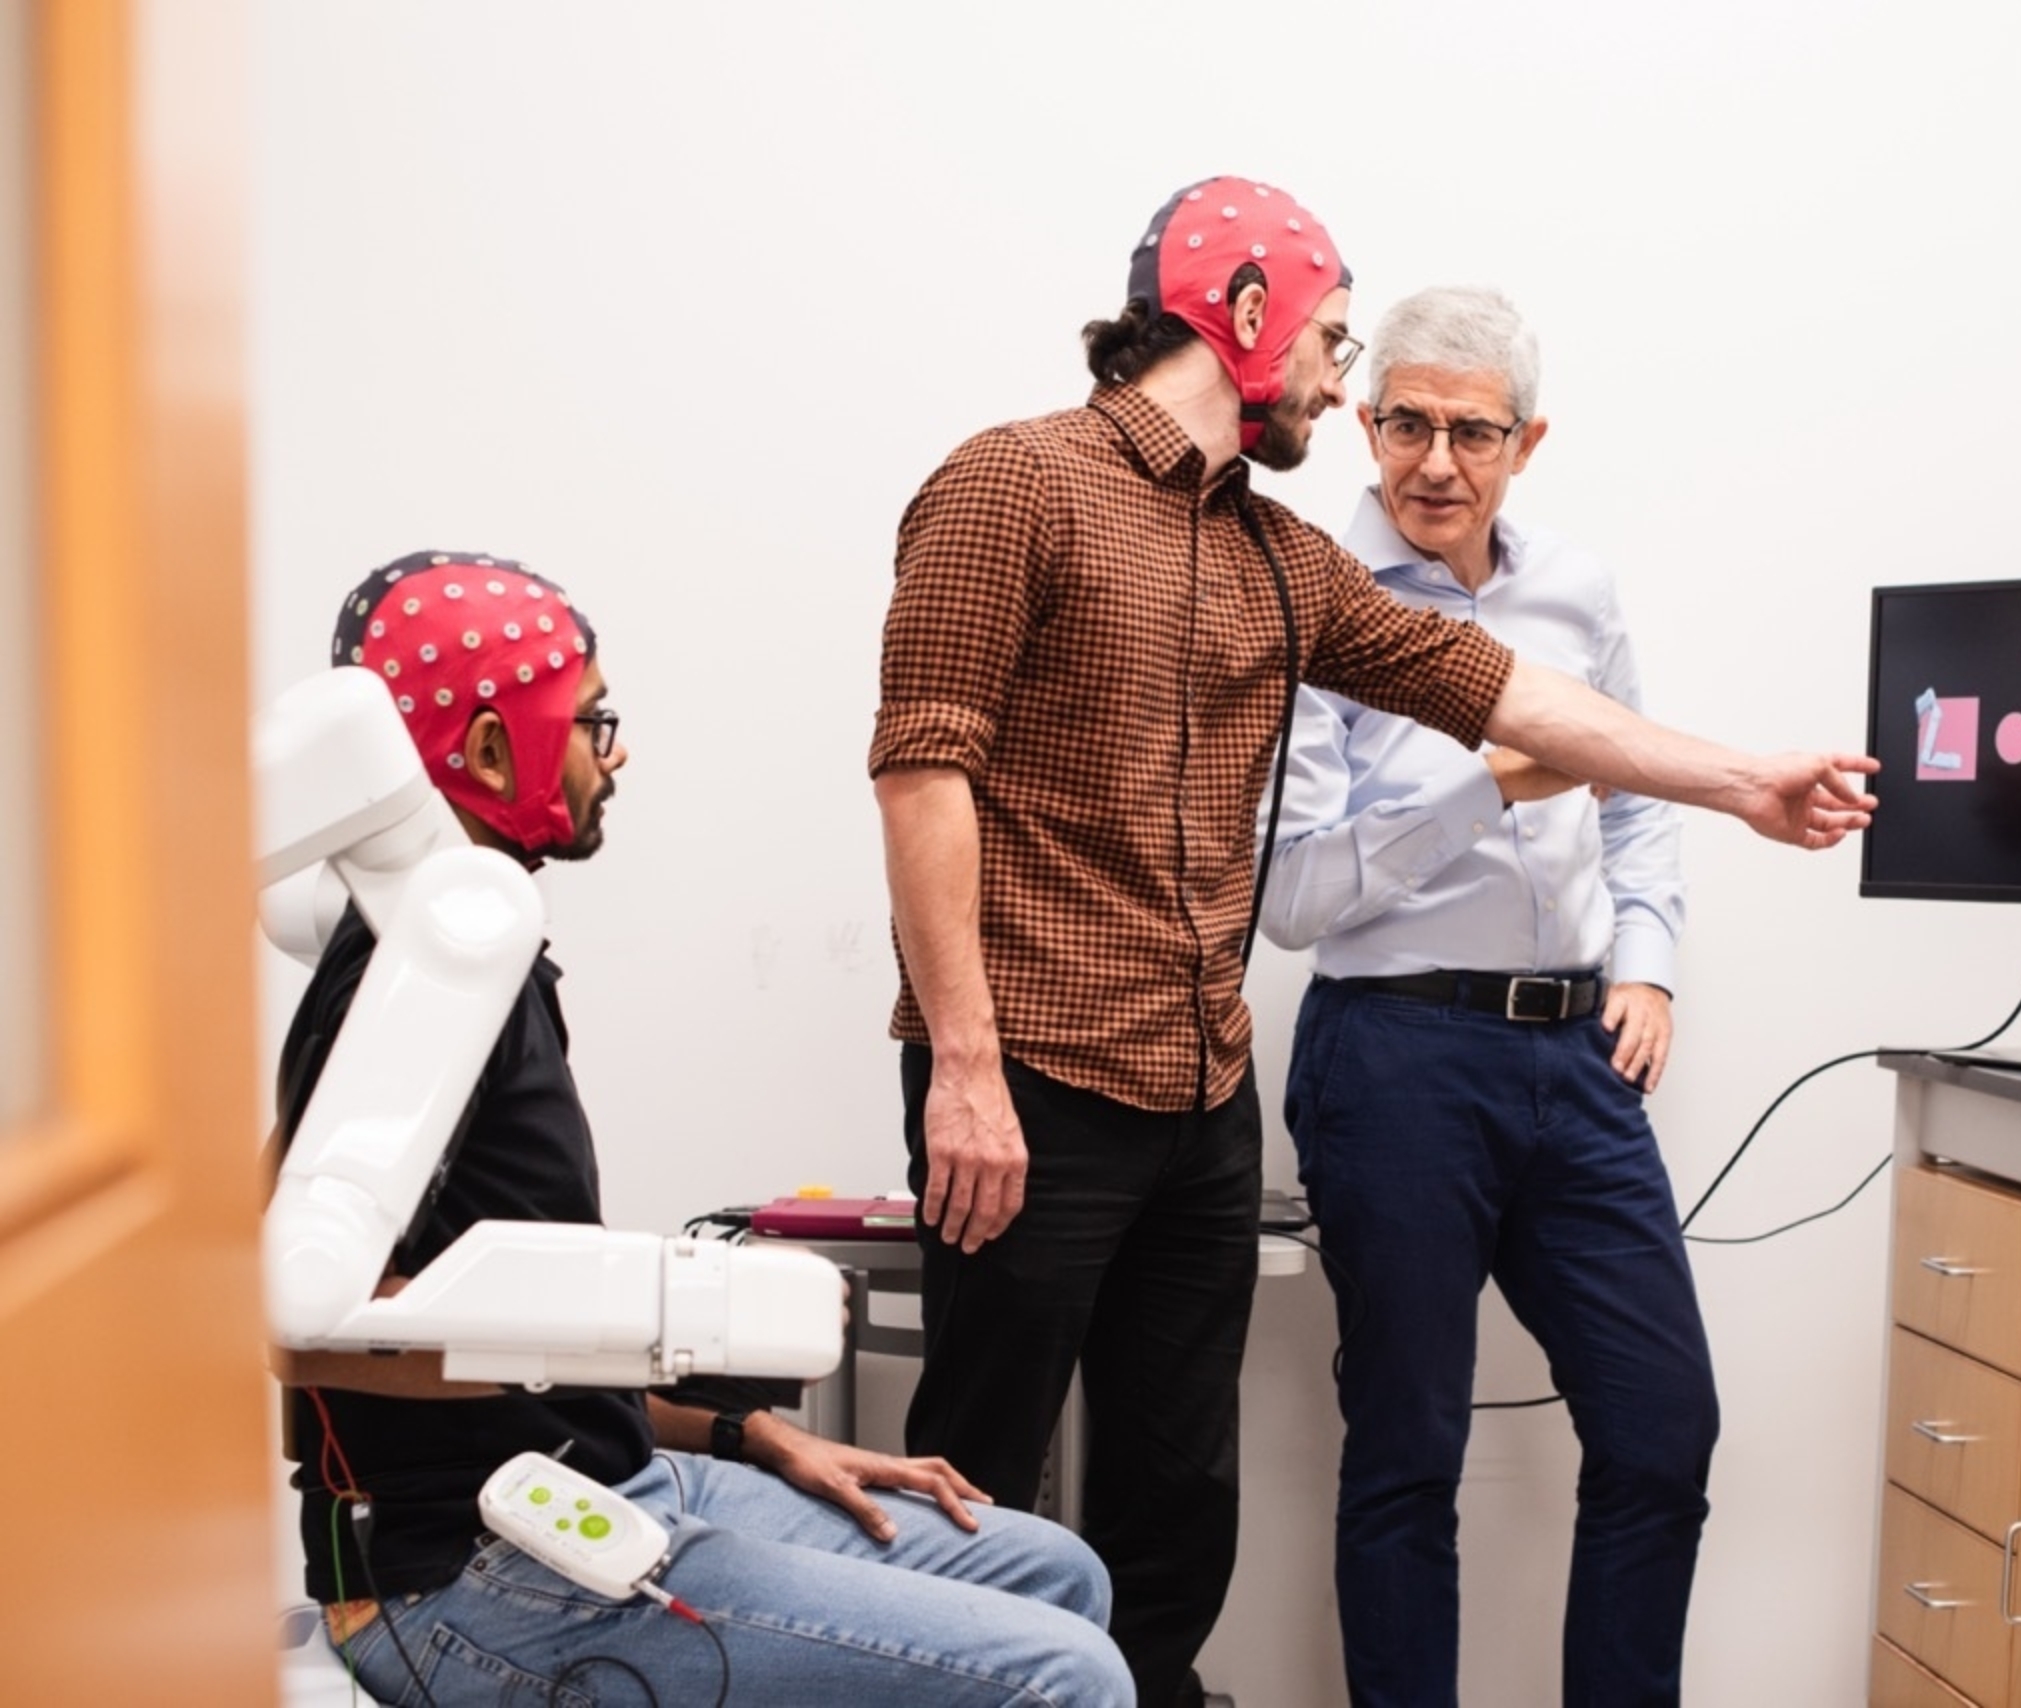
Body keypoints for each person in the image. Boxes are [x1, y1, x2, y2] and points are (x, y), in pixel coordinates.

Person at [869, 176, 1878, 1708]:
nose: (1345, 388)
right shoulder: (1013, 484)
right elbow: (922, 767)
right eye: (1339, 345)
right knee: (981, 1478)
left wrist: (1745, 784)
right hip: (1038, 1082)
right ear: (1251, 314)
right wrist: (962, 1066)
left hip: (1202, 1093)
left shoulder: (1278, 557)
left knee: (1176, 1503)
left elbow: (1506, 694)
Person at [273, 552, 1134, 1707]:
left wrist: (753, 1433)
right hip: (468, 1576)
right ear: (488, 749)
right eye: (591, 721)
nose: (614, 753)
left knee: (1054, 1571)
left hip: (613, 1481)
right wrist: (664, 1316)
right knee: (1064, 1675)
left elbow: (521, 1346)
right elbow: (308, 1321)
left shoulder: (477, 956)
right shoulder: (407, 978)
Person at [1257, 286, 1721, 1707]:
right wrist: (1486, 778)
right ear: (1368, 423)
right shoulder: (1315, 601)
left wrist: (1645, 966)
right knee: (1408, 1454)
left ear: (1526, 441)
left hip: (1576, 1060)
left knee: (1662, 1432)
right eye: (1406, 423)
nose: (1435, 463)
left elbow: (1640, 798)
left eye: (1471, 431)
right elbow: (1296, 902)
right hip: (1393, 1057)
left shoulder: (1574, 590)